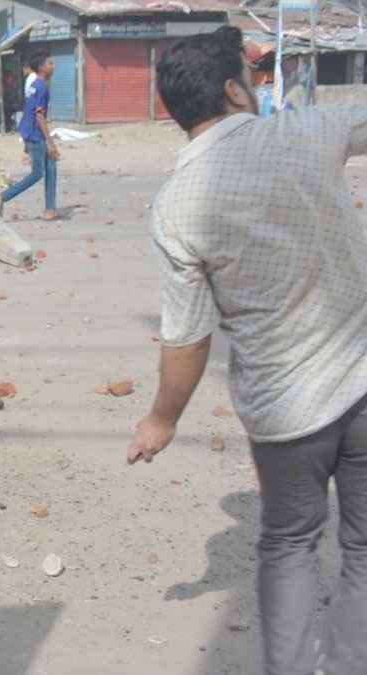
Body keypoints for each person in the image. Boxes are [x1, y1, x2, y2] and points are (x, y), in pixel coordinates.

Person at [127, 25, 367, 675]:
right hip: (362, 381)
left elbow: (188, 339)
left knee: (289, 544)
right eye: (252, 77)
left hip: (284, 413)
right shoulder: (307, 132)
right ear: (234, 90)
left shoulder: (175, 205)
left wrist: (162, 419)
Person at [0, 52, 58, 221]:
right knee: (37, 173)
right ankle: (4, 197)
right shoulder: (40, 87)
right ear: (41, 67)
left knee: (51, 167)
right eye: (50, 63)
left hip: (30, 132)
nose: (53, 66)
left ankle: (50, 209)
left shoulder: (35, 84)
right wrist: (50, 141)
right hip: (36, 135)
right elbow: (39, 115)